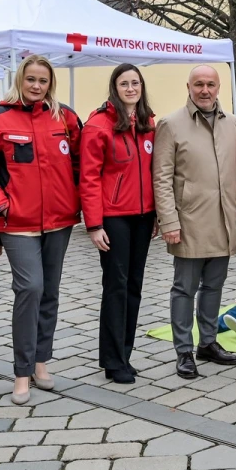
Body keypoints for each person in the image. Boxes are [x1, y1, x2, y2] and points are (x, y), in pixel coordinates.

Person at [0, 54, 83, 405]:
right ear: (21, 79)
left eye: (43, 80)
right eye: (31, 79)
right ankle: (21, 373)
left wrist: (79, 203)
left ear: (51, 83)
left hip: (60, 221)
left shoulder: (65, 118)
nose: (37, 86)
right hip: (17, 223)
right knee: (30, 289)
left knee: (49, 291)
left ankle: (40, 363)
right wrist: (0, 206)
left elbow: (82, 164)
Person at [153, 64, 236, 379]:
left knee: (215, 285)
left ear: (219, 87)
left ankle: (208, 342)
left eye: (211, 84)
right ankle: (183, 351)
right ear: (188, 87)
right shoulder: (171, 124)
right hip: (188, 221)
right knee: (184, 288)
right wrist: (168, 221)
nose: (205, 90)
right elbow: (161, 178)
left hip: (224, 219)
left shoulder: (232, 123)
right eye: (198, 84)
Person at [80, 64, 157, 384]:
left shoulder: (147, 122)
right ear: (114, 87)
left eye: (135, 83)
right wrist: (94, 225)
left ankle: (124, 353)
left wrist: (155, 215)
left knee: (134, 286)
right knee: (116, 286)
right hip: (113, 218)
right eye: (124, 84)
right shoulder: (99, 125)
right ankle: (112, 360)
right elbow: (89, 178)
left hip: (142, 217)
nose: (130, 88)